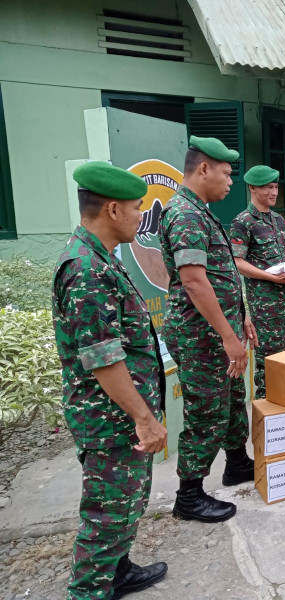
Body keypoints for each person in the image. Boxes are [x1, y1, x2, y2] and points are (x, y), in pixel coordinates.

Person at [53, 162, 168, 599]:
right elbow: (103, 360)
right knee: (107, 516)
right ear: (114, 210)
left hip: (117, 415)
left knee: (126, 503)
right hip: (110, 419)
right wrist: (144, 418)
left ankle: (117, 572)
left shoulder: (99, 258)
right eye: (137, 207)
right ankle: (89, 591)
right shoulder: (87, 269)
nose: (142, 216)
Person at [158, 136, 258, 523]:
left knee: (231, 400)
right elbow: (194, 282)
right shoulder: (185, 214)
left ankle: (236, 463)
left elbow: (221, 274)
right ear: (203, 169)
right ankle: (189, 495)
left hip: (217, 330)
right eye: (226, 173)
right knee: (206, 412)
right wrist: (228, 337)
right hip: (200, 336)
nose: (231, 181)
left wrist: (241, 316)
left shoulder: (200, 211)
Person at [230, 165, 285, 398]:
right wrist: (271, 277)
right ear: (252, 188)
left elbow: (283, 253)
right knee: (268, 372)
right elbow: (237, 261)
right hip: (265, 311)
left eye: (276, 187)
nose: (274, 192)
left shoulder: (278, 220)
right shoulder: (243, 222)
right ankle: (265, 418)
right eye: (268, 187)